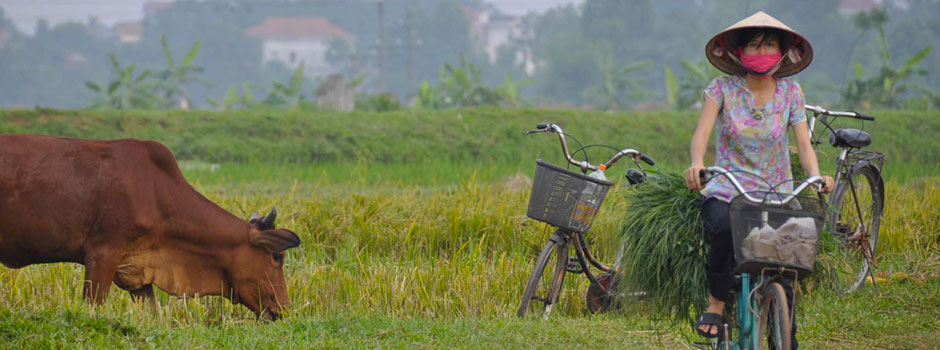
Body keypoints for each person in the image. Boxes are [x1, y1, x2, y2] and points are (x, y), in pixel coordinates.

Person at [682, 11, 835, 344]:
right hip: (729, 189)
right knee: (723, 227)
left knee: (788, 259)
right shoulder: (721, 88)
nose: (761, 49)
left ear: (781, 52)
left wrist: (816, 175)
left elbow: (804, 146)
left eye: (768, 43)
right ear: (739, 52)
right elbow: (702, 133)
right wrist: (696, 163)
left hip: (776, 193)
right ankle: (716, 304)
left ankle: (785, 335)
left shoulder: (792, 93)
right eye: (753, 44)